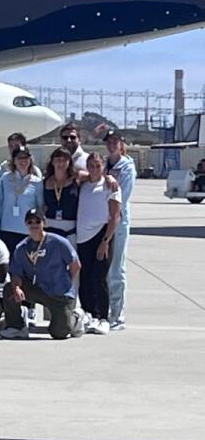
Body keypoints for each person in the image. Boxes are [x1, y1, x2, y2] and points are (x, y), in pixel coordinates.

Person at [1, 209, 84, 340]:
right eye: (30, 221)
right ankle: (17, 326)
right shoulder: (21, 248)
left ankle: (75, 318)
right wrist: (16, 287)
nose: (34, 225)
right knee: (9, 289)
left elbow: (76, 265)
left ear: (44, 223)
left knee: (59, 333)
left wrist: (67, 285)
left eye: (37, 221)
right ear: (26, 224)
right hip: (39, 289)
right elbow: (16, 273)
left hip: (59, 293)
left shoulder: (58, 242)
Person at [76, 153, 121, 336]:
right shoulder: (84, 184)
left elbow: (115, 216)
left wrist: (105, 241)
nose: (94, 169)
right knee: (84, 278)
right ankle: (89, 313)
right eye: (91, 166)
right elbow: (76, 173)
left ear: (103, 167)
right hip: (82, 238)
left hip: (101, 236)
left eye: (97, 166)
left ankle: (103, 317)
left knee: (99, 278)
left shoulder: (110, 187)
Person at [103, 131, 135, 330]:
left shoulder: (127, 167)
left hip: (118, 221)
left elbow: (123, 195)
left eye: (115, 142)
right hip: (103, 222)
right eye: (109, 142)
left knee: (116, 269)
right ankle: (106, 311)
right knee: (104, 270)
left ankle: (117, 313)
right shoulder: (104, 164)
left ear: (122, 144)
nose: (112, 145)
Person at [0, 144, 42, 253]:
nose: (23, 161)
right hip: (7, 228)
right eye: (19, 158)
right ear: (14, 161)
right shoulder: (5, 178)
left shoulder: (37, 182)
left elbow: (40, 206)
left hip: (27, 230)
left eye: (26, 158)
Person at [43, 146, 80, 245]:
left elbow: (95, 176)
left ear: (69, 162)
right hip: (49, 227)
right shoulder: (45, 181)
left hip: (70, 228)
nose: (61, 163)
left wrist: (109, 178)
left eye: (64, 160)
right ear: (52, 162)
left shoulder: (77, 179)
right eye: (58, 160)